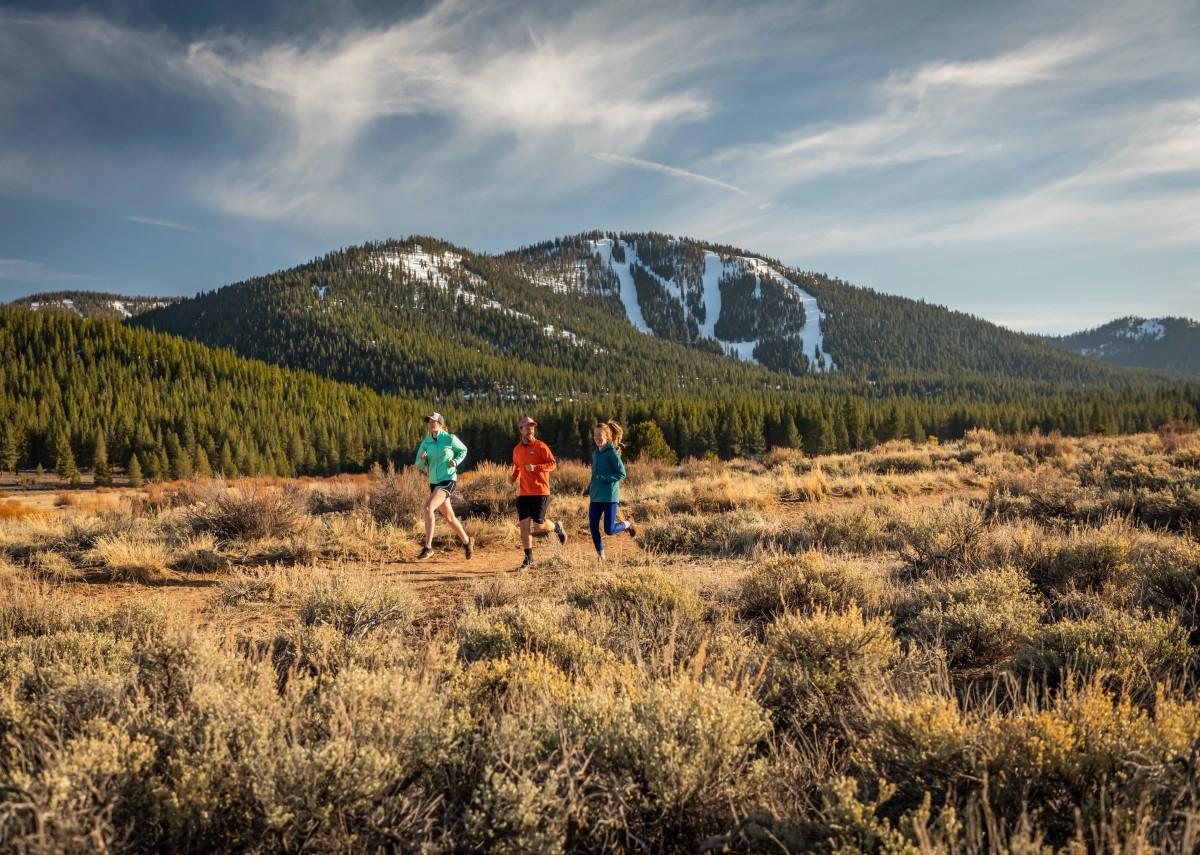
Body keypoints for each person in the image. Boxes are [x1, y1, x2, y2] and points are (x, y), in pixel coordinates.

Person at [509, 415, 567, 571]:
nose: (530, 429)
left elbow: (553, 464)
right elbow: (517, 466)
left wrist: (537, 468)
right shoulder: (517, 450)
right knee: (524, 526)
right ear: (521, 430)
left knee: (539, 525)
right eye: (527, 427)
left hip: (540, 491)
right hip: (524, 493)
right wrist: (513, 477)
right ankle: (529, 559)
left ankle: (556, 527)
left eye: (532, 427)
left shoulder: (541, 446)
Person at [414, 412, 472, 561]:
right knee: (449, 517)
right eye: (429, 422)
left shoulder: (449, 438)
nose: (431, 424)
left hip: (448, 480)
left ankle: (428, 547)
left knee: (428, 508)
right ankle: (467, 541)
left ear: (440, 423)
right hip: (434, 482)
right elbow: (418, 465)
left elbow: (463, 450)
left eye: (434, 421)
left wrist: (456, 461)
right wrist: (422, 459)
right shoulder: (426, 442)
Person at [586, 420, 636, 560]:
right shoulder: (595, 453)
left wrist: (606, 479)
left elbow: (622, 473)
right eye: (595, 435)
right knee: (593, 527)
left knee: (609, 530)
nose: (597, 438)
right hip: (595, 497)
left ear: (607, 436)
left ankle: (627, 523)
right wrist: (589, 488)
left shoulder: (612, 453)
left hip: (609, 497)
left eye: (600, 435)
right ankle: (601, 557)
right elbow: (595, 475)